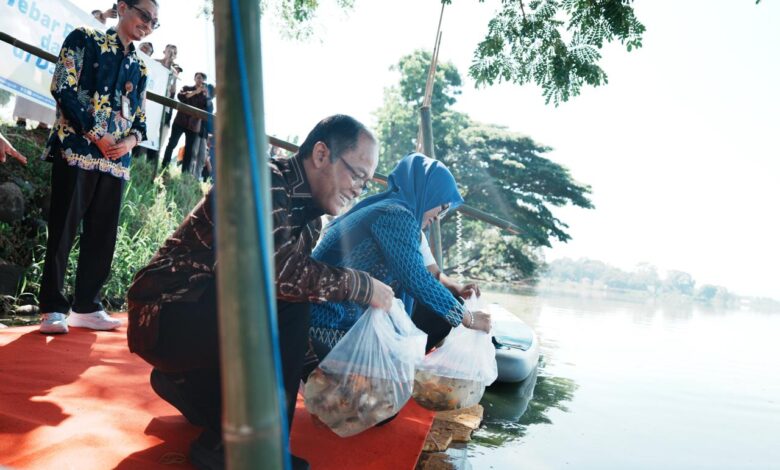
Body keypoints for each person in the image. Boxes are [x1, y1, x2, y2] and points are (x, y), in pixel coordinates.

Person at [127, 115, 394, 469]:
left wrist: (326, 383)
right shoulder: (264, 180)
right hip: (165, 316)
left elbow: (290, 312)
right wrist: (363, 285)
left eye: (366, 181)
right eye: (357, 174)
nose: (360, 189)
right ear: (320, 154)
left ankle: (185, 384)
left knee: (292, 303)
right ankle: (250, 453)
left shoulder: (310, 222)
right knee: (288, 298)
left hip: (198, 330)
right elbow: (276, 275)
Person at [37, 0, 158, 335]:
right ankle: (51, 308)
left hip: (116, 159)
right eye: (143, 15)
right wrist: (96, 132)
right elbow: (62, 86)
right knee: (63, 228)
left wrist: (130, 142)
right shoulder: (84, 38)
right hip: (76, 148)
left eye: (154, 23)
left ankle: (86, 305)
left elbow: (142, 121)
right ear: (122, 7)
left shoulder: (141, 67)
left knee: (103, 234)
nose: (147, 25)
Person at [309, 153, 492, 357]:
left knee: (435, 312)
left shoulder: (389, 210)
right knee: (430, 325)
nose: (437, 218)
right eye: (440, 209)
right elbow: (416, 279)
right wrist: (468, 319)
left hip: (334, 317)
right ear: (428, 192)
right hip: (325, 325)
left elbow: (428, 274)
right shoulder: (395, 214)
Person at [160, 72, 209, 174]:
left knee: (189, 152)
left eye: (203, 79)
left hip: (194, 127)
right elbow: (180, 97)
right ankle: (164, 166)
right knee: (172, 143)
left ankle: (184, 175)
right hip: (180, 122)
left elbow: (208, 110)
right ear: (195, 78)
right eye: (199, 77)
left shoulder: (205, 97)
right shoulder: (186, 88)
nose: (201, 80)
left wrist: (207, 97)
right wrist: (195, 92)